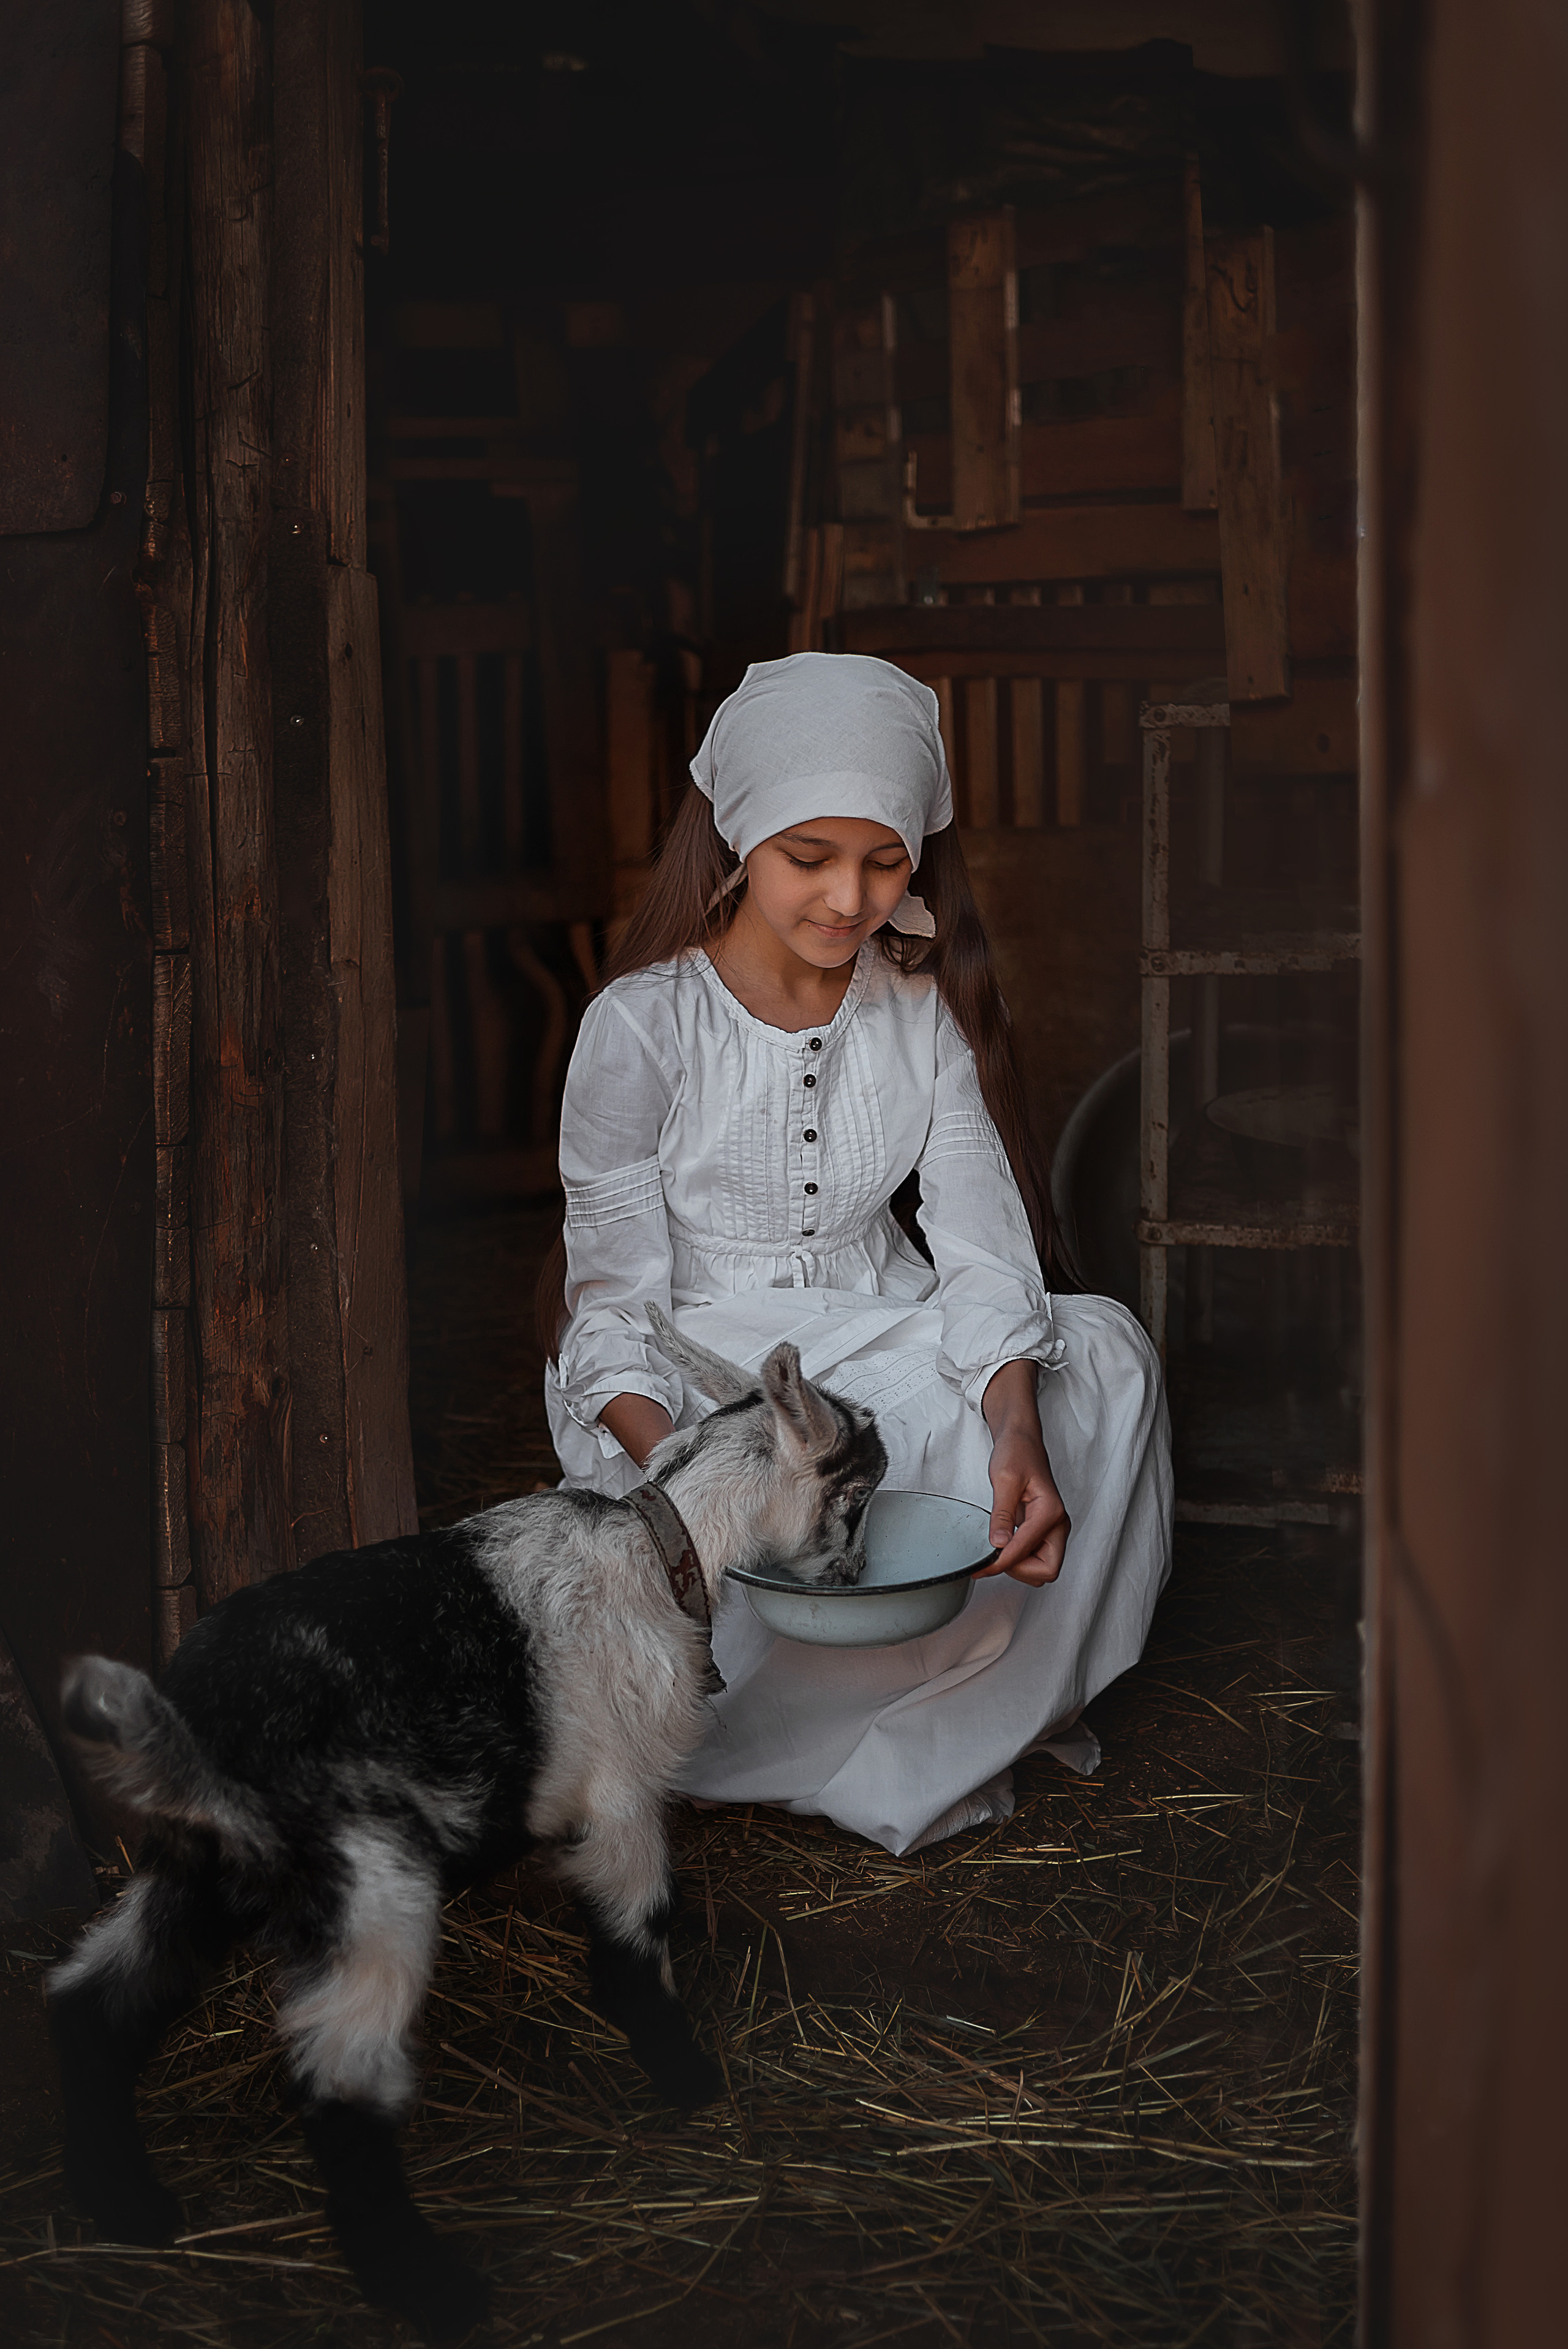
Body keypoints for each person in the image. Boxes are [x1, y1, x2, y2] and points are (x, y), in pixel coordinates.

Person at [541, 652, 1171, 1855]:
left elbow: (985, 1244)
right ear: (734, 843)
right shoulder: (640, 1025)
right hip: (703, 1355)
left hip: (882, 1309)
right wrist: (684, 1477)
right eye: (807, 858)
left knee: (1102, 1354)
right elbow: (611, 1307)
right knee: (821, 1434)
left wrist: (1019, 1425)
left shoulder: (918, 1008)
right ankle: (774, 1733)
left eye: (885, 860)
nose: (849, 898)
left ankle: (959, 1717)